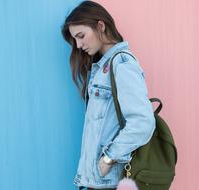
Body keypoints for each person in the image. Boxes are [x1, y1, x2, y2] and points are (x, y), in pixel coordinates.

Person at [61, 1, 155, 190]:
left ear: (100, 26)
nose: (78, 45)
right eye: (75, 40)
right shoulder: (100, 68)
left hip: (110, 182)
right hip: (96, 181)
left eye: (81, 36)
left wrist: (108, 158)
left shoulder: (122, 64)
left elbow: (143, 122)